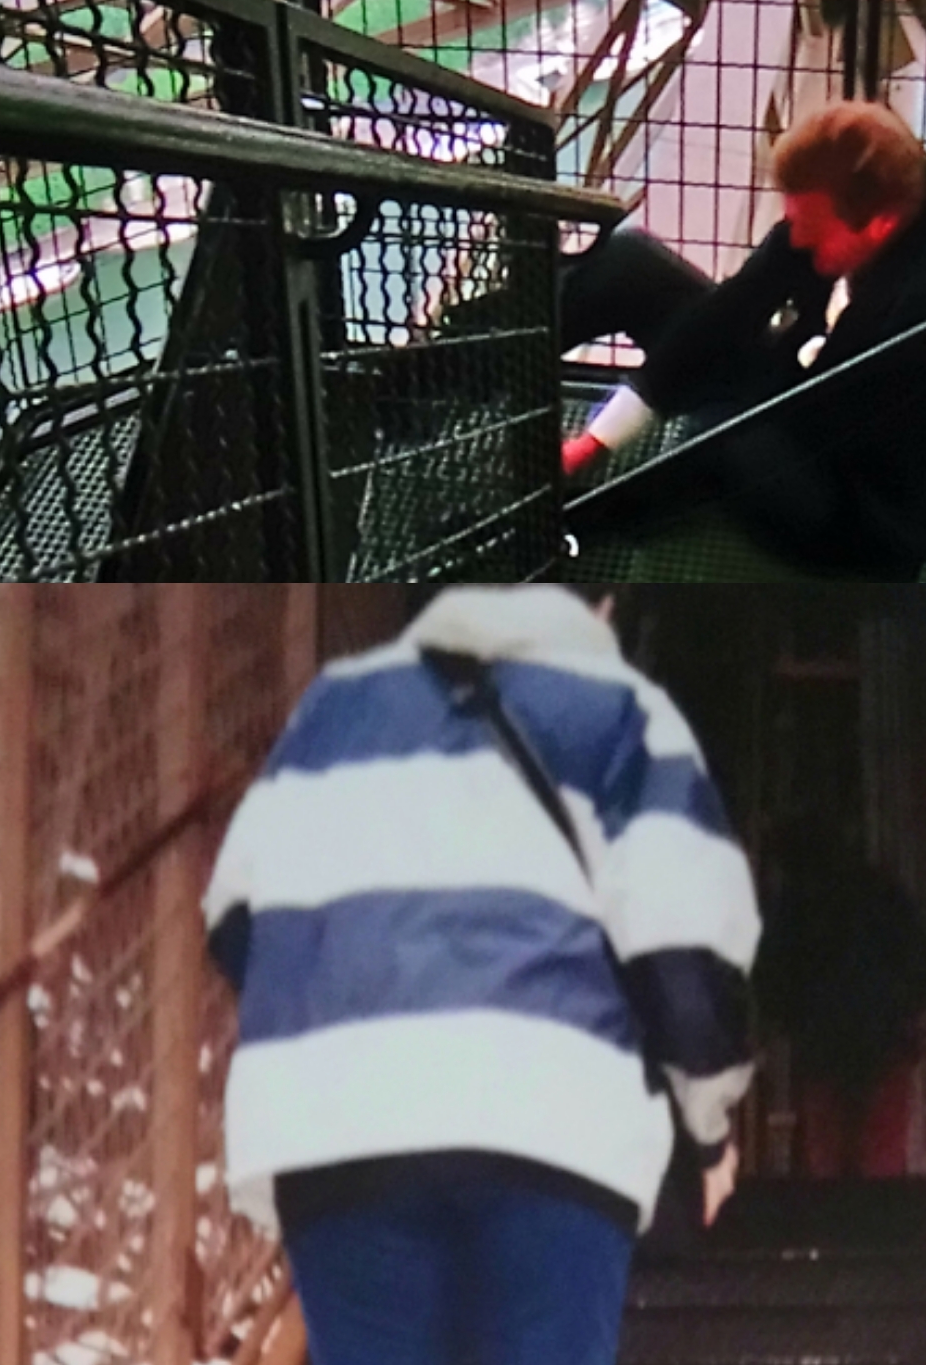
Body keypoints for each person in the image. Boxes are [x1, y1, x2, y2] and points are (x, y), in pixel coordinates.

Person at [203, 584, 759, 1365]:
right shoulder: (623, 709)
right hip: (552, 1130)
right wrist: (706, 1135)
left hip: (342, 1132)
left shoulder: (332, 710)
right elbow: (683, 949)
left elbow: (238, 923)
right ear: (602, 604)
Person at [559, 101, 926, 581]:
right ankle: (491, 364)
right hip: (808, 396)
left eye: (810, 228)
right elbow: (732, 311)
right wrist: (595, 441)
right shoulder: (852, 197)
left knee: (718, 438)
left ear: (880, 224)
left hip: (861, 511)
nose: (795, 239)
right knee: (628, 268)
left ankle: (571, 529)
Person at [755, 819, 926, 1179]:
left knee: (831, 1159)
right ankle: (879, 1213)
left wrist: (792, 1020)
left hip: (822, 1047)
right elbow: (922, 966)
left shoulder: (792, 910)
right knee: (880, 1155)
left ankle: (841, 1214)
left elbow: (769, 982)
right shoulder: (883, 895)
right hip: (883, 1038)